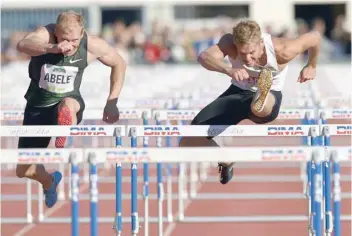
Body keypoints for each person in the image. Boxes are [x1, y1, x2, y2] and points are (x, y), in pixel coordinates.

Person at [179, 20, 321, 184]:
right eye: (242, 53)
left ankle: (262, 91)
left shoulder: (283, 49)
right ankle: (225, 158)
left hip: (270, 97)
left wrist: (311, 65)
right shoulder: (229, 43)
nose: (247, 58)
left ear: (261, 43)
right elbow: (204, 56)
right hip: (238, 92)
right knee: (188, 141)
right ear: (235, 45)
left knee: (257, 107)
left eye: (252, 52)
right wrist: (228, 69)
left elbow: (315, 37)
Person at [15, 11, 126, 208]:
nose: (70, 45)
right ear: (56, 31)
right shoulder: (45, 34)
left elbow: (119, 63)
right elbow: (22, 45)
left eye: (74, 39)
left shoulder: (91, 44)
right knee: (23, 169)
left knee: (67, 106)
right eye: (64, 38)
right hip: (38, 107)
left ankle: (64, 129)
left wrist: (111, 101)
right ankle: (49, 181)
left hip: (69, 100)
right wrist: (53, 48)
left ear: (82, 33)